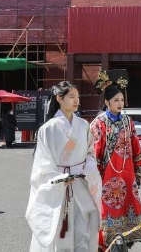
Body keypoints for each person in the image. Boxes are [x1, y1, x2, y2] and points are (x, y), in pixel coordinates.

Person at [26, 81, 102, 252]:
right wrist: (58, 179)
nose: (76, 101)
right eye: (72, 97)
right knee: (60, 232)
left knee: (83, 229)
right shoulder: (47, 129)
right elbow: (42, 163)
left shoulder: (84, 125)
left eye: (78, 97)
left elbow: (90, 153)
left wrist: (88, 169)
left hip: (80, 183)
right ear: (59, 98)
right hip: (59, 186)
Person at [90, 72, 141, 251]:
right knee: (108, 209)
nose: (120, 103)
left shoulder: (128, 121)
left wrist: (139, 172)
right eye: (116, 100)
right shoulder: (98, 123)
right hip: (107, 175)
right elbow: (94, 152)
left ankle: (125, 240)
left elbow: (135, 147)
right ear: (107, 102)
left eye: (122, 100)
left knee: (130, 206)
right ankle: (105, 244)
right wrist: (93, 178)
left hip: (127, 173)